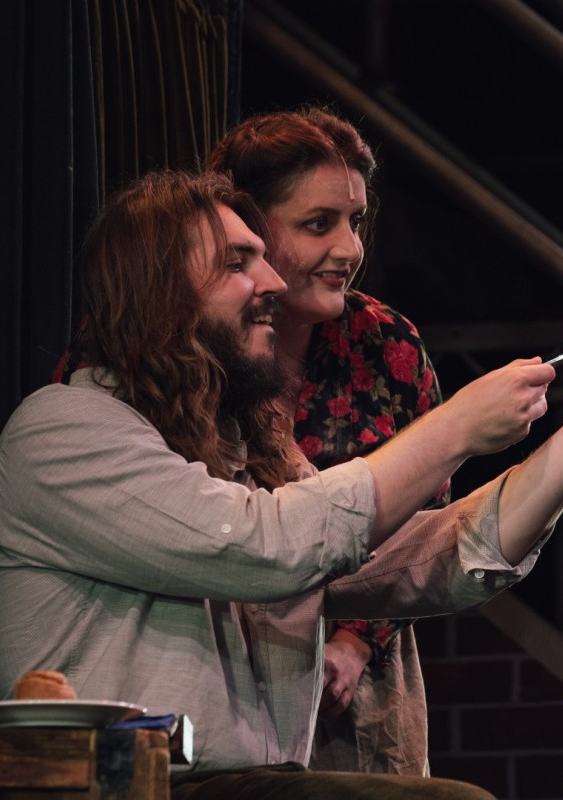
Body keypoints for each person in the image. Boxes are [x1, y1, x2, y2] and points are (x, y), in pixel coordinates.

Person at [0, 170, 563, 797]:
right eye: (237, 262)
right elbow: (264, 547)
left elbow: (437, 561)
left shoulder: (245, 452)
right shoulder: (65, 430)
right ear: (158, 287)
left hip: (248, 786)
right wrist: (454, 427)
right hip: (124, 790)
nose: (273, 284)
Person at [204, 108, 446, 776]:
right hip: (214, 665)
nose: (349, 249)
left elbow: (421, 518)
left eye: (355, 221)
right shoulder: (176, 348)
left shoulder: (384, 344)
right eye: (319, 224)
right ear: (246, 227)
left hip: (359, 681)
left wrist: (352, 643)